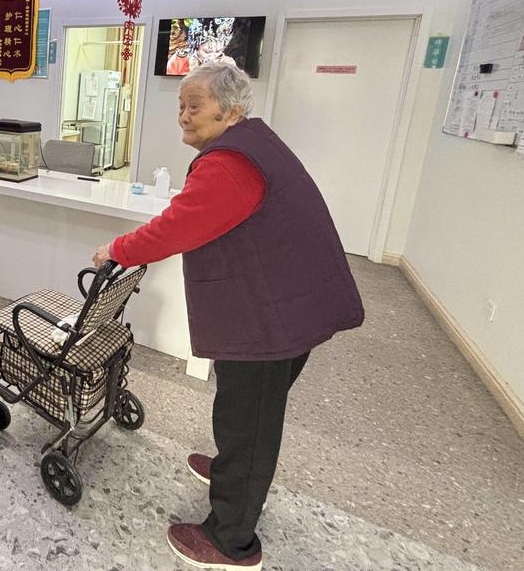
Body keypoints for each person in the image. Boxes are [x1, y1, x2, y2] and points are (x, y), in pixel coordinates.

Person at [92, 63, 364, 570]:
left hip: (271, 315)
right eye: (181, 106)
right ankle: (230, 470)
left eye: (194, 106)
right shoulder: (254, 142)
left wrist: (117, 249)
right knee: (247, 408)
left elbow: (178, 227)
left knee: (250, 421)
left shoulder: (231, 162)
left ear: (231, 110)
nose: (183, 116)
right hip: (289, 300)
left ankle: (231, 540)